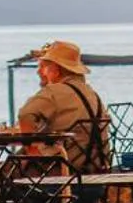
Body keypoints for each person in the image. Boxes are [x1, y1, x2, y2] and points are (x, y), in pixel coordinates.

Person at [17, 39, 110, 171]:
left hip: (63, 169)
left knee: (0, 172)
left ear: (55, 70)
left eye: (43, 67)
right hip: (96, 167)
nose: (39, 72)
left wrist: (32, 150)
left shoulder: (53, 92)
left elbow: (25, 114)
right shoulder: (91, 93)